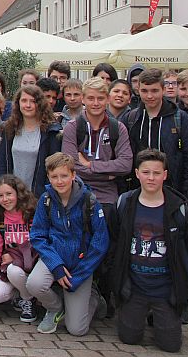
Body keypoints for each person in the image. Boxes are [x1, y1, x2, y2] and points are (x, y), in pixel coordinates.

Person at [112, 149, 188, 353]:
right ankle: (137, 311)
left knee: (170, 345)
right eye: (146, 172)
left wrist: (187, 280)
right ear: (137, 173)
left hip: (165, 289)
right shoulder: (125, 203)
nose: (151, 178)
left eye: (157, 173)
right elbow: (115, 242)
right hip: (134, 286)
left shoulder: (179, 208)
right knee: (129, 338)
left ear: (165, 175)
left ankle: (160, 315)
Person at [62, 77, 133, 313]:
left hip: (107, 197)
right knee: (79, 243)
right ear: (83, 99)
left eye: (100, 98)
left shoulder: (117, 128)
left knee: (106, 246)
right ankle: (80, 288)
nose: (95, 102)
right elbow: (70, 164)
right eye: (90, 97)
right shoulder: (74, 127)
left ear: (107, 99)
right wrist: (106, 168)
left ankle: (105, 290)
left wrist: (92, 166)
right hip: (79, 191)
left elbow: (125, 164)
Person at [28, 153, 109, 336]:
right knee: (34, 283)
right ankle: (56, 307)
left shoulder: (89, 201)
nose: (60, 181)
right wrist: (55, 265)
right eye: (54, 177)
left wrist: (80, 274)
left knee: (77, 329)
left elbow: (100, 242)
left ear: (73, 175)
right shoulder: (46, 200)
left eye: (64, 176)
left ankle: (93, 297)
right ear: (48, 177)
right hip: (55, 257)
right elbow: (38, 236)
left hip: (81, 264)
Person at [124, 69, 188, 195]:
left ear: (163, 90)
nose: (149, 96)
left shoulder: (180, 118)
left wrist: (184, 193)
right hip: (138, 190)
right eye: (144, 91)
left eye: (154, 91)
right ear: (138, 90)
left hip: (172, 190)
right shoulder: (131, 119)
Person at [0, 174, 39, 323]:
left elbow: (38, 244)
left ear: (18, 193)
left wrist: (15, 256)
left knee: (13, 270)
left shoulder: (31, 214)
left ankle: (28, 300)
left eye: (9, 194)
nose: (5, 199)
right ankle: (18, 296)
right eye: (0, 195)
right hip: (10, 268)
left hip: (32, 264)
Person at [0, 85, 62, 197]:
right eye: (24, 100)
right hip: (13, 196)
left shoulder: (51, 132)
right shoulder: (9, 129)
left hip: (40, 196)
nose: (28, 105)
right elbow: (2, 163)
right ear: (18, 103)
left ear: (40, 104)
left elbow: (54, 167)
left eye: (33, 101)